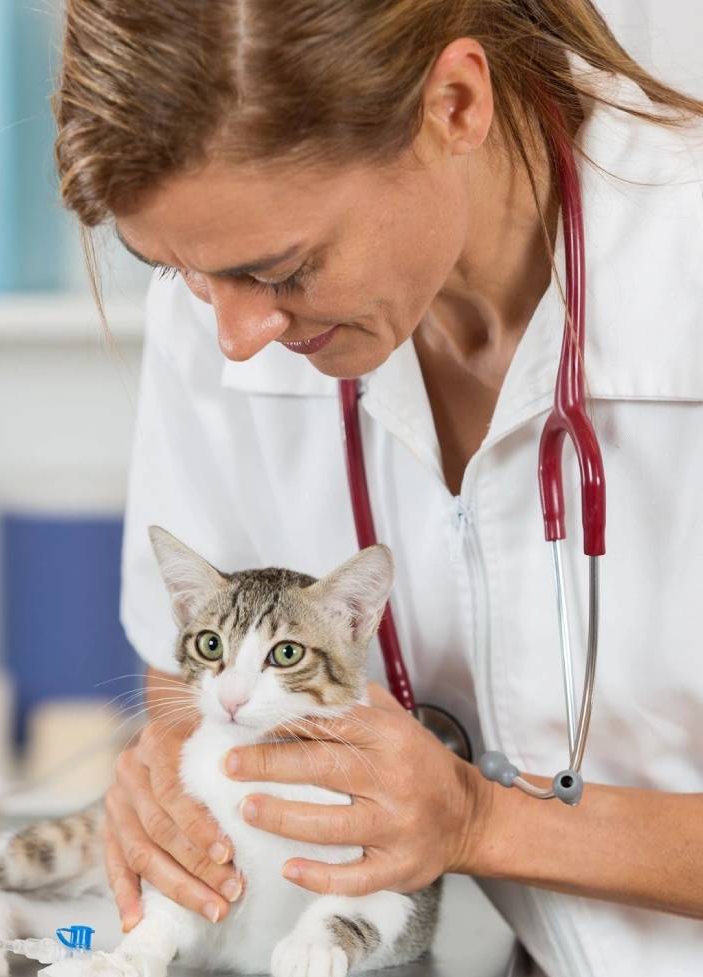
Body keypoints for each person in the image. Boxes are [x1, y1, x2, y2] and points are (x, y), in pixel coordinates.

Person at [54, 2, 703, 975]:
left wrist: (482, 820)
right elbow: (181, 684)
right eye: (179, 270)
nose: (231, 335)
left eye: (282, 268)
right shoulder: (217, 310)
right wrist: (167, 789)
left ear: (455, 104)